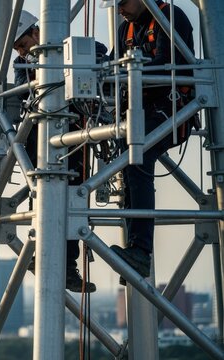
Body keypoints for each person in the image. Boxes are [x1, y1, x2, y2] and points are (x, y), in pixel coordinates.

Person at [12, 10, 109, 293]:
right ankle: (38, 254)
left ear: (36, 32)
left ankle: (67, 268)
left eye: (23, 44)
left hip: (74, 136)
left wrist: (64, 59)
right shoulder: (22, 65)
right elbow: (21, 93)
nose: (21, 51)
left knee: (71, 201)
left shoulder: (68, 47)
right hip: (38, 139)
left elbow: (99, 53)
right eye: (18, 48)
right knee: (41, 198)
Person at [106, 0, 194, 281]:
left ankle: (140, 251)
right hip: (140, 113)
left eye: (123, 2)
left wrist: (129, 71)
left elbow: (171, 63)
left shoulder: (171, 18)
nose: (119, 8)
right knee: (128, 164)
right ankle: (135, 252)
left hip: (172, 109)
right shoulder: (126, 29)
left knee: (137, 157)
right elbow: (112, 63)